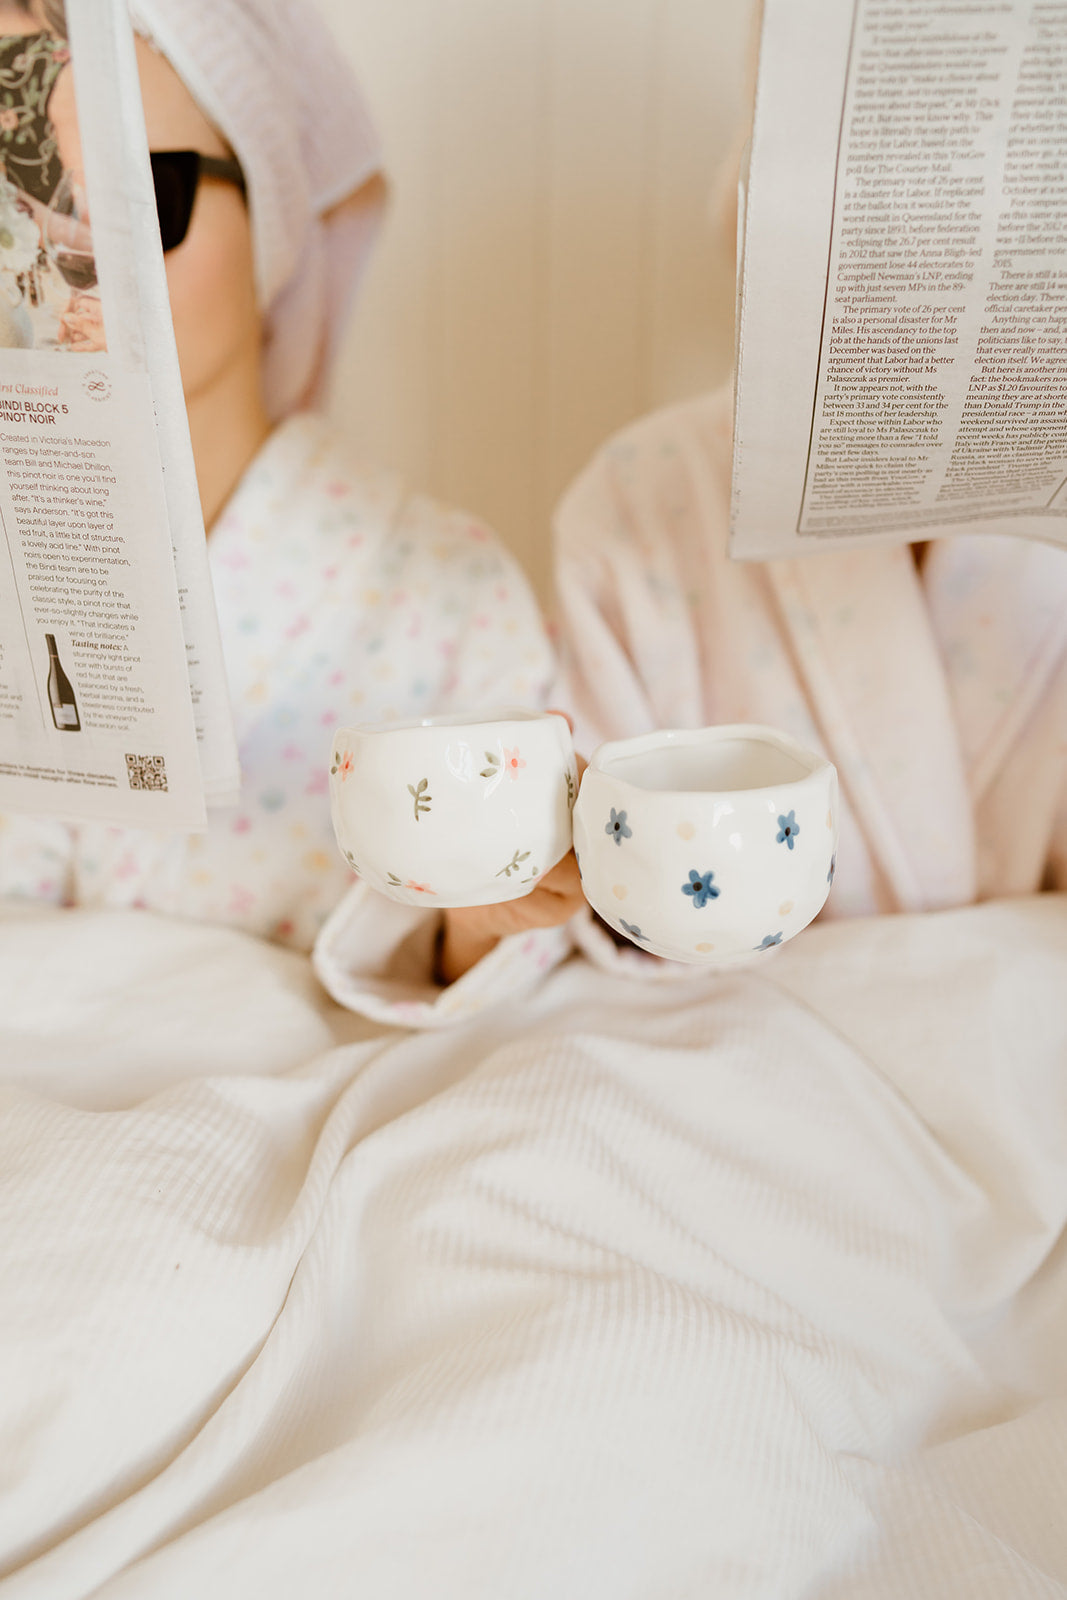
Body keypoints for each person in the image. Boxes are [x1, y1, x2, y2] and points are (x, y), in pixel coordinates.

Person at [0, 0, 584, 1023]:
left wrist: (474, 920)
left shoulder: (444, 590)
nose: (76, 265)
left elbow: (467, 953)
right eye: (21, 204)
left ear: (266, 220)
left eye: (144, 198)